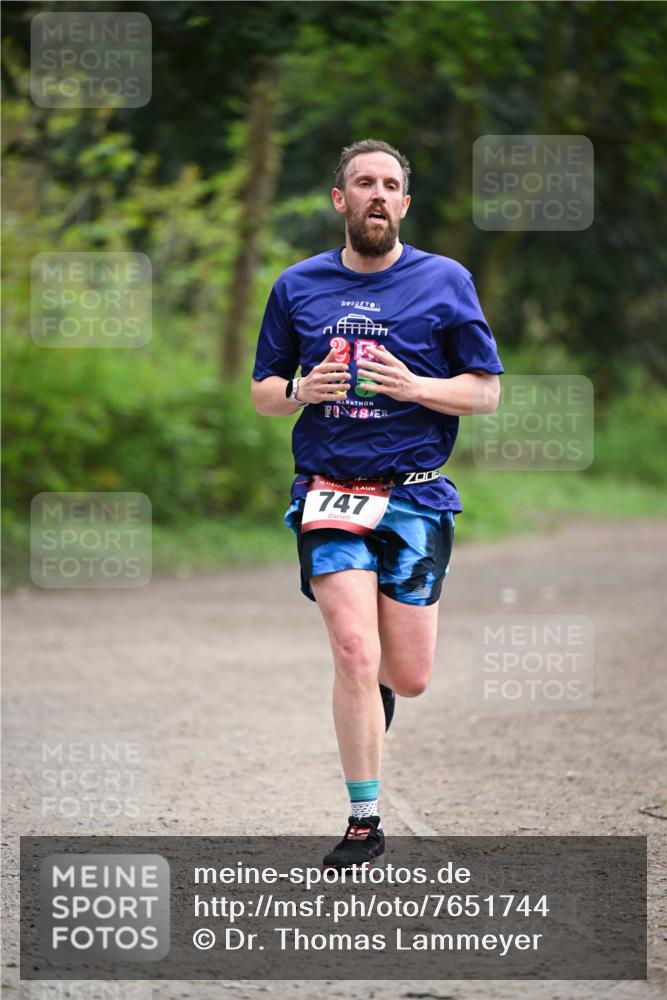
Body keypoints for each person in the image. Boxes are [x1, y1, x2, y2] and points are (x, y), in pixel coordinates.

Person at [251, 138, 503, 870]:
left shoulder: (445, 281)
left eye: (390, 185)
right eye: (363, 183)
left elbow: (484, 391)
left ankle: (375, 697)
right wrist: (301, 391)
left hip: (416, 499)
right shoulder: (297, 285)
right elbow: (263, 392)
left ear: (404, 203)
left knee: (408, 674)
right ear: (340, 200)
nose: (377, 195)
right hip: (328, 491)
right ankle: (365, 819)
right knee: (354, 651)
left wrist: (413, 387)